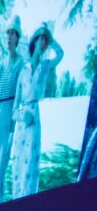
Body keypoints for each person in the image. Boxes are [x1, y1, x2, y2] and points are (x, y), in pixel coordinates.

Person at [12, 25, 63, 199]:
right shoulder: (23, 71)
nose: (43, 43)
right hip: (22, 123)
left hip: (35, 118)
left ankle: (28, 200)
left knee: (31, 163)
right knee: (19, 162)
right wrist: (21, 117)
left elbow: (61, 54)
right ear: (34, 41)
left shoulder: (46, 66)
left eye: (45, 40)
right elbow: (14, 108)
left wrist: (50, 37)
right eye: (40, 39)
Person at [0, 16, 25, 207]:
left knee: (2, 163)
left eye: (13, 34)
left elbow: (19, 95)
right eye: (8, 33)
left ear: (17, 38)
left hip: (10, 114)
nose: (9, 37)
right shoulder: (0, 63)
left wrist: (13, 124)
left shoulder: (20, 64)